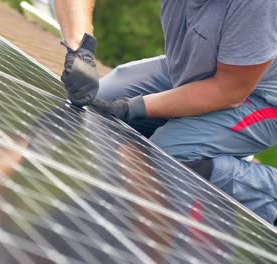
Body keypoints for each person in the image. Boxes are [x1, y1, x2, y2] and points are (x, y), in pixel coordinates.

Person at [55, 0, 277, 227]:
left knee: (168, 156)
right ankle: (211, 141)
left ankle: (266, 192)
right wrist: (80, 47)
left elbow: (229, 91)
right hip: (191, 66)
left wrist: (132, 108)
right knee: (98, 100)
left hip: (258, 97)